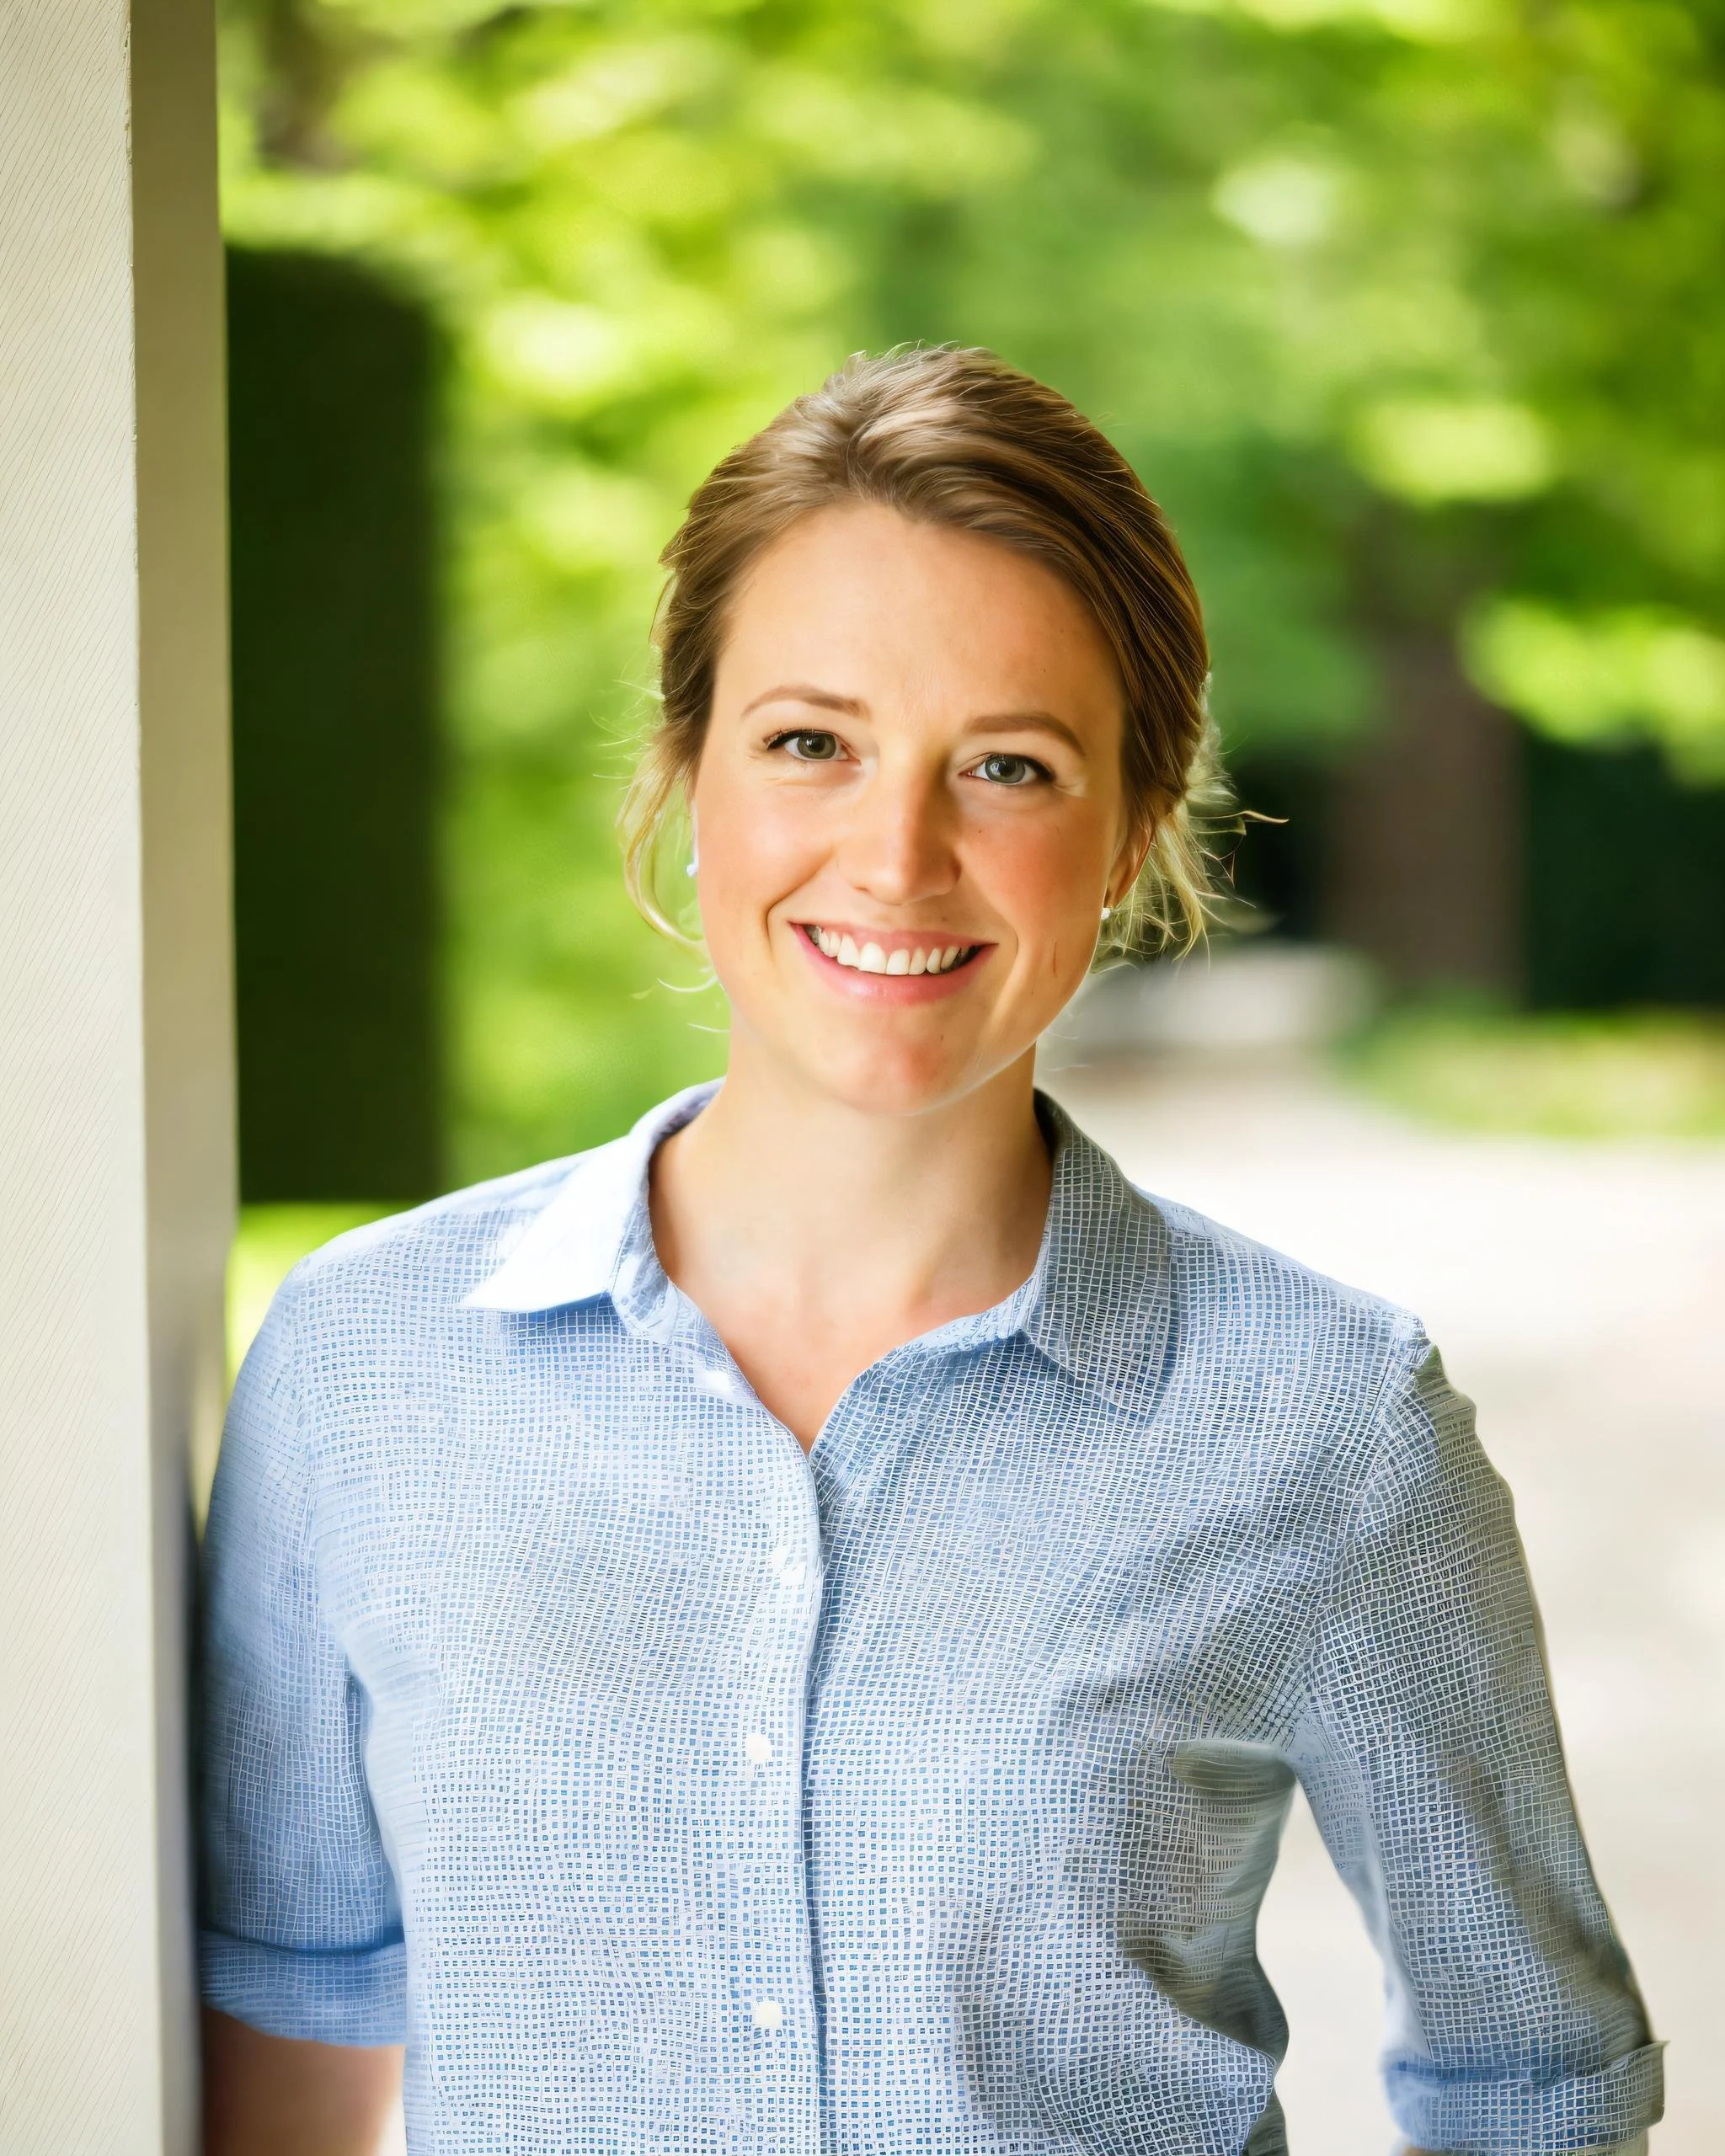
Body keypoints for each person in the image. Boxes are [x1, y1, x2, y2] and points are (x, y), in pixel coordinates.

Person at [199, 349, 1661, 2156]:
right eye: (810, 741)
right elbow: (283, 2016)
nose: (894, 855)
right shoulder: (368, 1361)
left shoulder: (1325, 1419)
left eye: (1008, 765)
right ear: (688, 769)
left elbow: (1530, 2079)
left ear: (1132, 830)